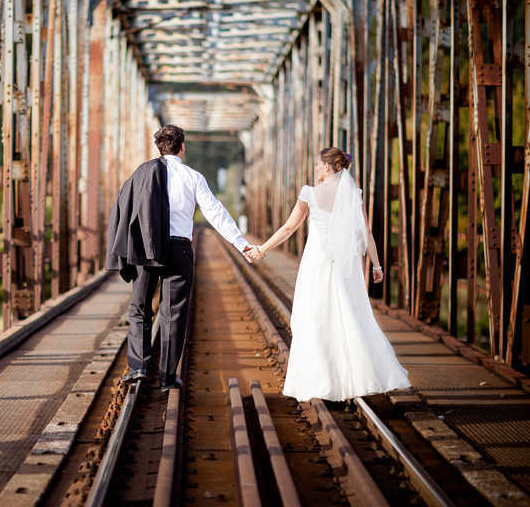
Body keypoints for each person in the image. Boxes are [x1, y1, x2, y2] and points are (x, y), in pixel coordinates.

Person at [245, 147, 410, 402]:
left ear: (326, 166)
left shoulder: (309, 193)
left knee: (315, 319)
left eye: (316, 164)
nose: (314, 168)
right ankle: (354, 378)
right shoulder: (354, 194)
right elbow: (365, 232)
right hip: (347, 266)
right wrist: (376, 266)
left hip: (317, 263)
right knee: (349, 317)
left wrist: (261, 249)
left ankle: (321, 382)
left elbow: (288, 228)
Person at [106, 125, 255, 392]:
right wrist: (240, 243)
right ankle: (167, 378)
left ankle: (139, 366)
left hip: (147, 249)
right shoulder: (193, 177)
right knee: (173, 313)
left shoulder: (142, 172)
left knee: (140, 307)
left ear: (158, 147)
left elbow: (124, 208)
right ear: (182, 148)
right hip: (179, 250)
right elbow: (215, 212)